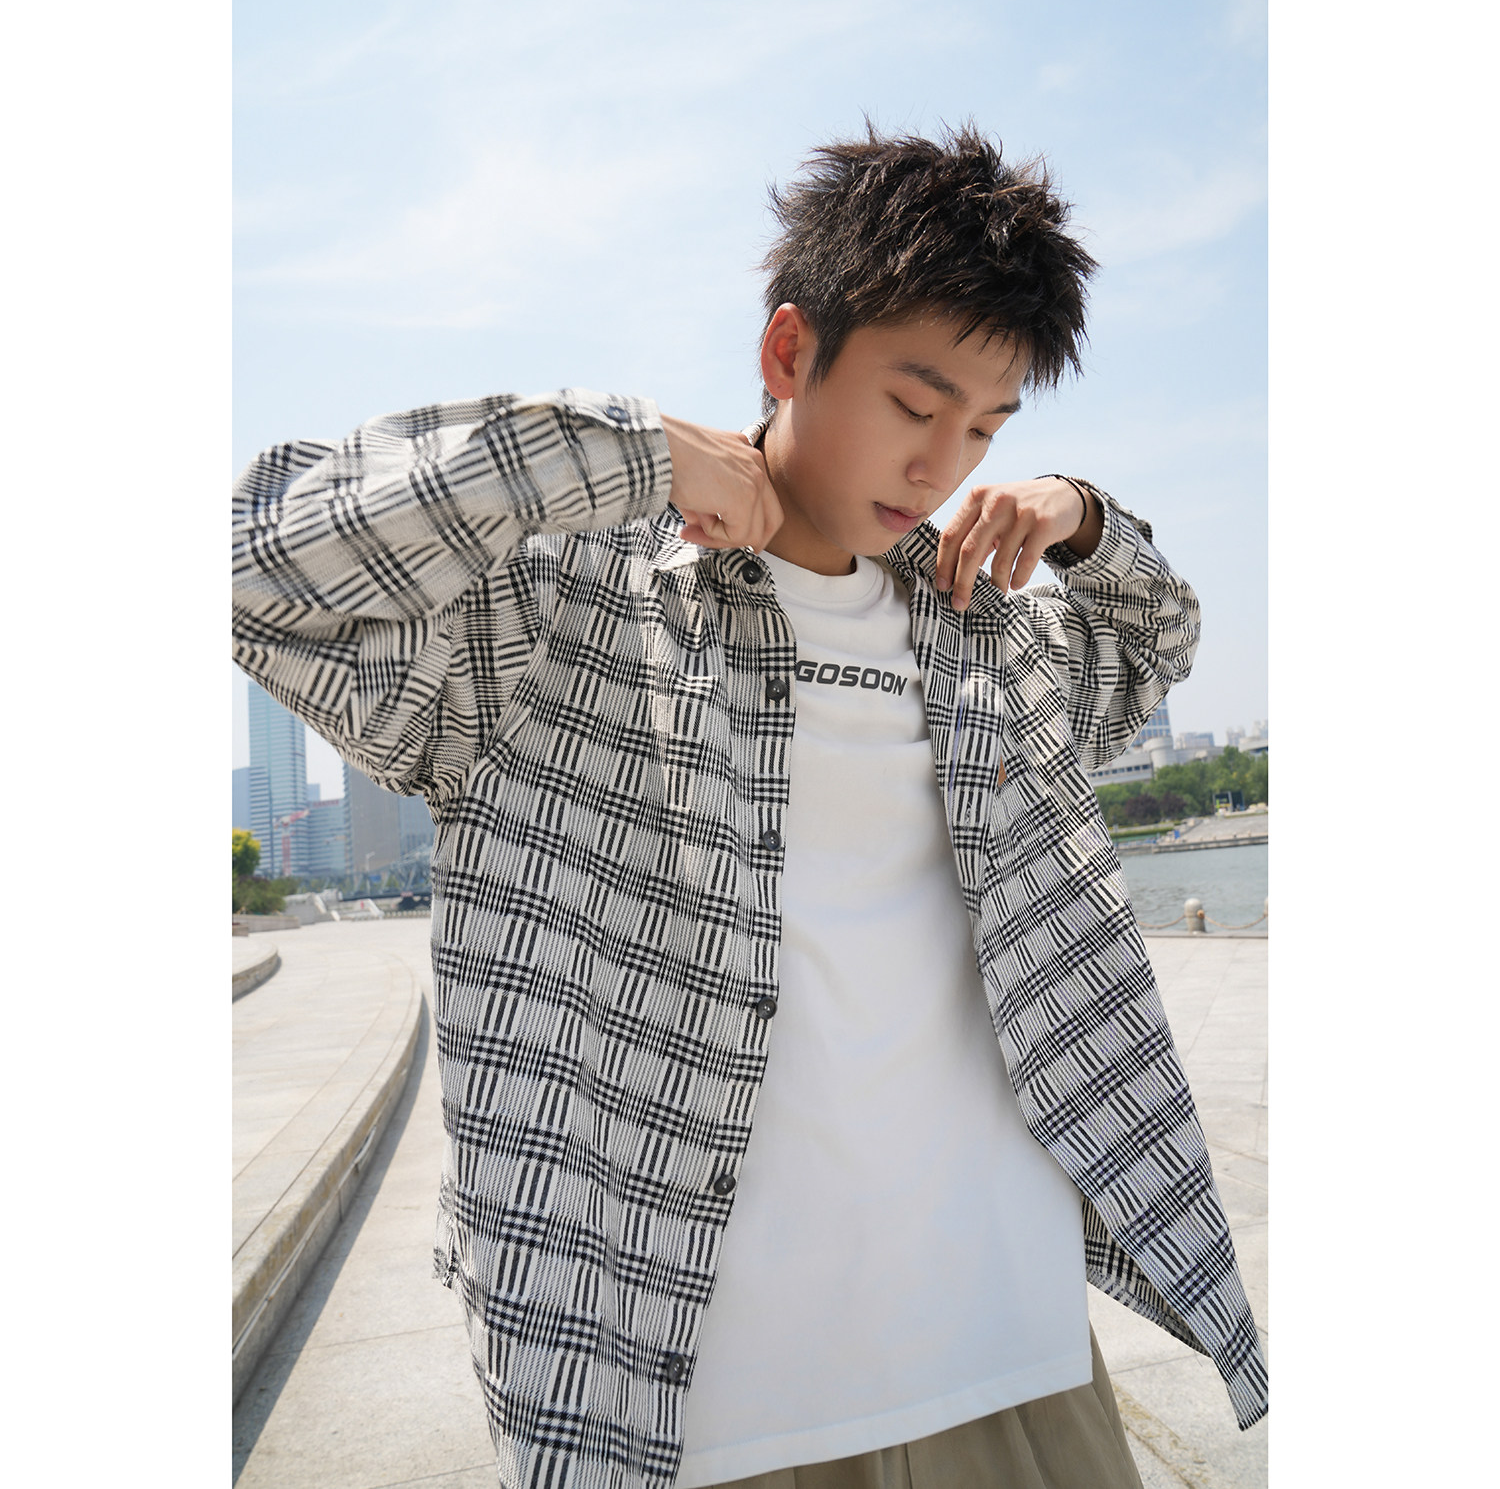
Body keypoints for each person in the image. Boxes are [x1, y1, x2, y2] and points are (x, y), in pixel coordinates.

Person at [232, 123, 1266, 1489]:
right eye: (916, 404)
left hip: (1011, 1343)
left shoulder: (992, 633)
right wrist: (618, 451)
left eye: (984, 427)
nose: (942, 465)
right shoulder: (563, 610)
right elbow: (254, 562)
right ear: (790, 352)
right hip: (703, 1394)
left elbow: (1159, 633)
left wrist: (1077, 514)